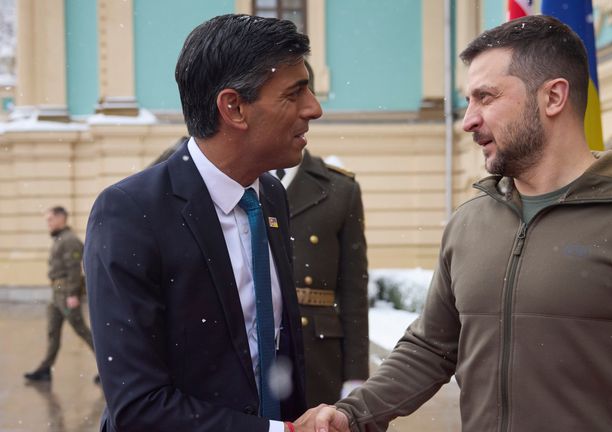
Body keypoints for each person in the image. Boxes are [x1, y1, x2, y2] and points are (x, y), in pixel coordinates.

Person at [308, 15, 612, 431]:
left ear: (553, 97)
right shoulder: (469, 221)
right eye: (468, 100)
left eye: (485, 97)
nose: (468, 119)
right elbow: (431, 347)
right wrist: (352, 412)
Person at [84, 15, 322, 432]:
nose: (313, 108)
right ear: (233, 108)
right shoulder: (128, 212)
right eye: (294, 93)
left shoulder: (270, 196)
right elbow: (138, 406)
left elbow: (277, 353)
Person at [274, 149, 369, 407]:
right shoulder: (240, 179)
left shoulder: (340, 188)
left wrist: (356, 374)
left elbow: (354, 290)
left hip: (317, 351)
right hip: (255, 344)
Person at [24, 206, 98, 384]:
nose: (47, 223)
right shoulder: (60, 239)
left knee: (82, 331)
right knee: (52, 331)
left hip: (66, 294)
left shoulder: (69, 240)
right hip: (57, 295)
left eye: (50, 219)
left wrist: (73, 294)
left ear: (61, 218)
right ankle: (45, 369)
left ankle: (109, 367)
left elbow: (74, 270)